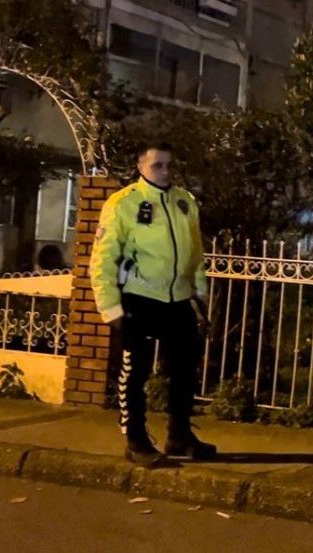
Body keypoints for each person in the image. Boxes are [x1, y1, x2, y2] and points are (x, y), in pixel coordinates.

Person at [90, 142, 214, 468]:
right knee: (135, 373)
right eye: (157, 165)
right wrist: (110, 308)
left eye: (170, 165)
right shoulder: (123, 203)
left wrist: (199, 296)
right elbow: (102, 259)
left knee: (184, 371)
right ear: (140, 167)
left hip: (178, 300)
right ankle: (135, 441)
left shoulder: (185, 202)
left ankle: (179, 436)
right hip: (139, 299)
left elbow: (195, 256)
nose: (165, 171)